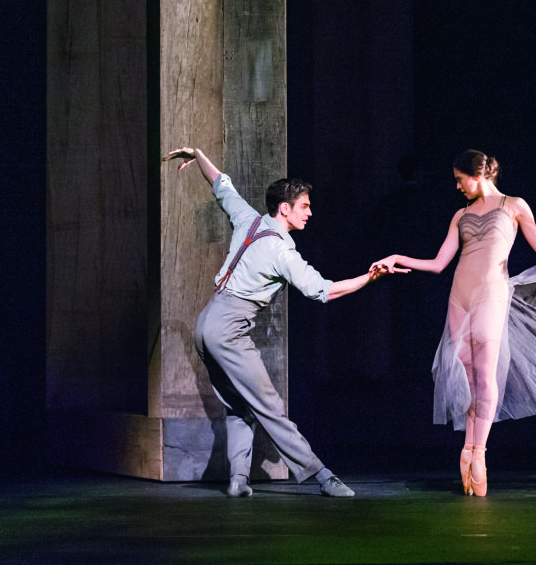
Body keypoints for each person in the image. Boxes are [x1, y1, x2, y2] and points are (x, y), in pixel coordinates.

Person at [372, 149, 536, 497]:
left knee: (485, 374)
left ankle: (478, 452)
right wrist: (397, 257)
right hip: (459, 296)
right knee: (467, 378)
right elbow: (439, 263)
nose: (457, 186)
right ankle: (467, 449)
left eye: (460, 179)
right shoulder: (460, 215)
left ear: (478, 175)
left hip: (492, 293)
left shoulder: (514, 206)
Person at [163, 147, 402, 498]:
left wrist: (199, 154)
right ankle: (323, 476)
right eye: (304, 206)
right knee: (270, 408)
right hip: (228, 330)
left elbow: (220, 183)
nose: (310, 212)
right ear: (285, 208)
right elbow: (322, 291)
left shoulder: (249, 219)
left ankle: (238, 480)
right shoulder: (281, 251)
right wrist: (369, 279)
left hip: (205, 326)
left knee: (239, 405)